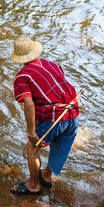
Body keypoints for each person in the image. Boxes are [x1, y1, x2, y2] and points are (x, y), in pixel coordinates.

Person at [10, 36, 80, 195]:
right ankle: (47, 176)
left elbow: (29, 104)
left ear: (19, 57)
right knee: (61, 146)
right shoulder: (51, 64)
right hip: (73, 113)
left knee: (32, 147)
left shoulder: (22, 77)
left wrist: (31, 132)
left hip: (53, 118)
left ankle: (33, 185)